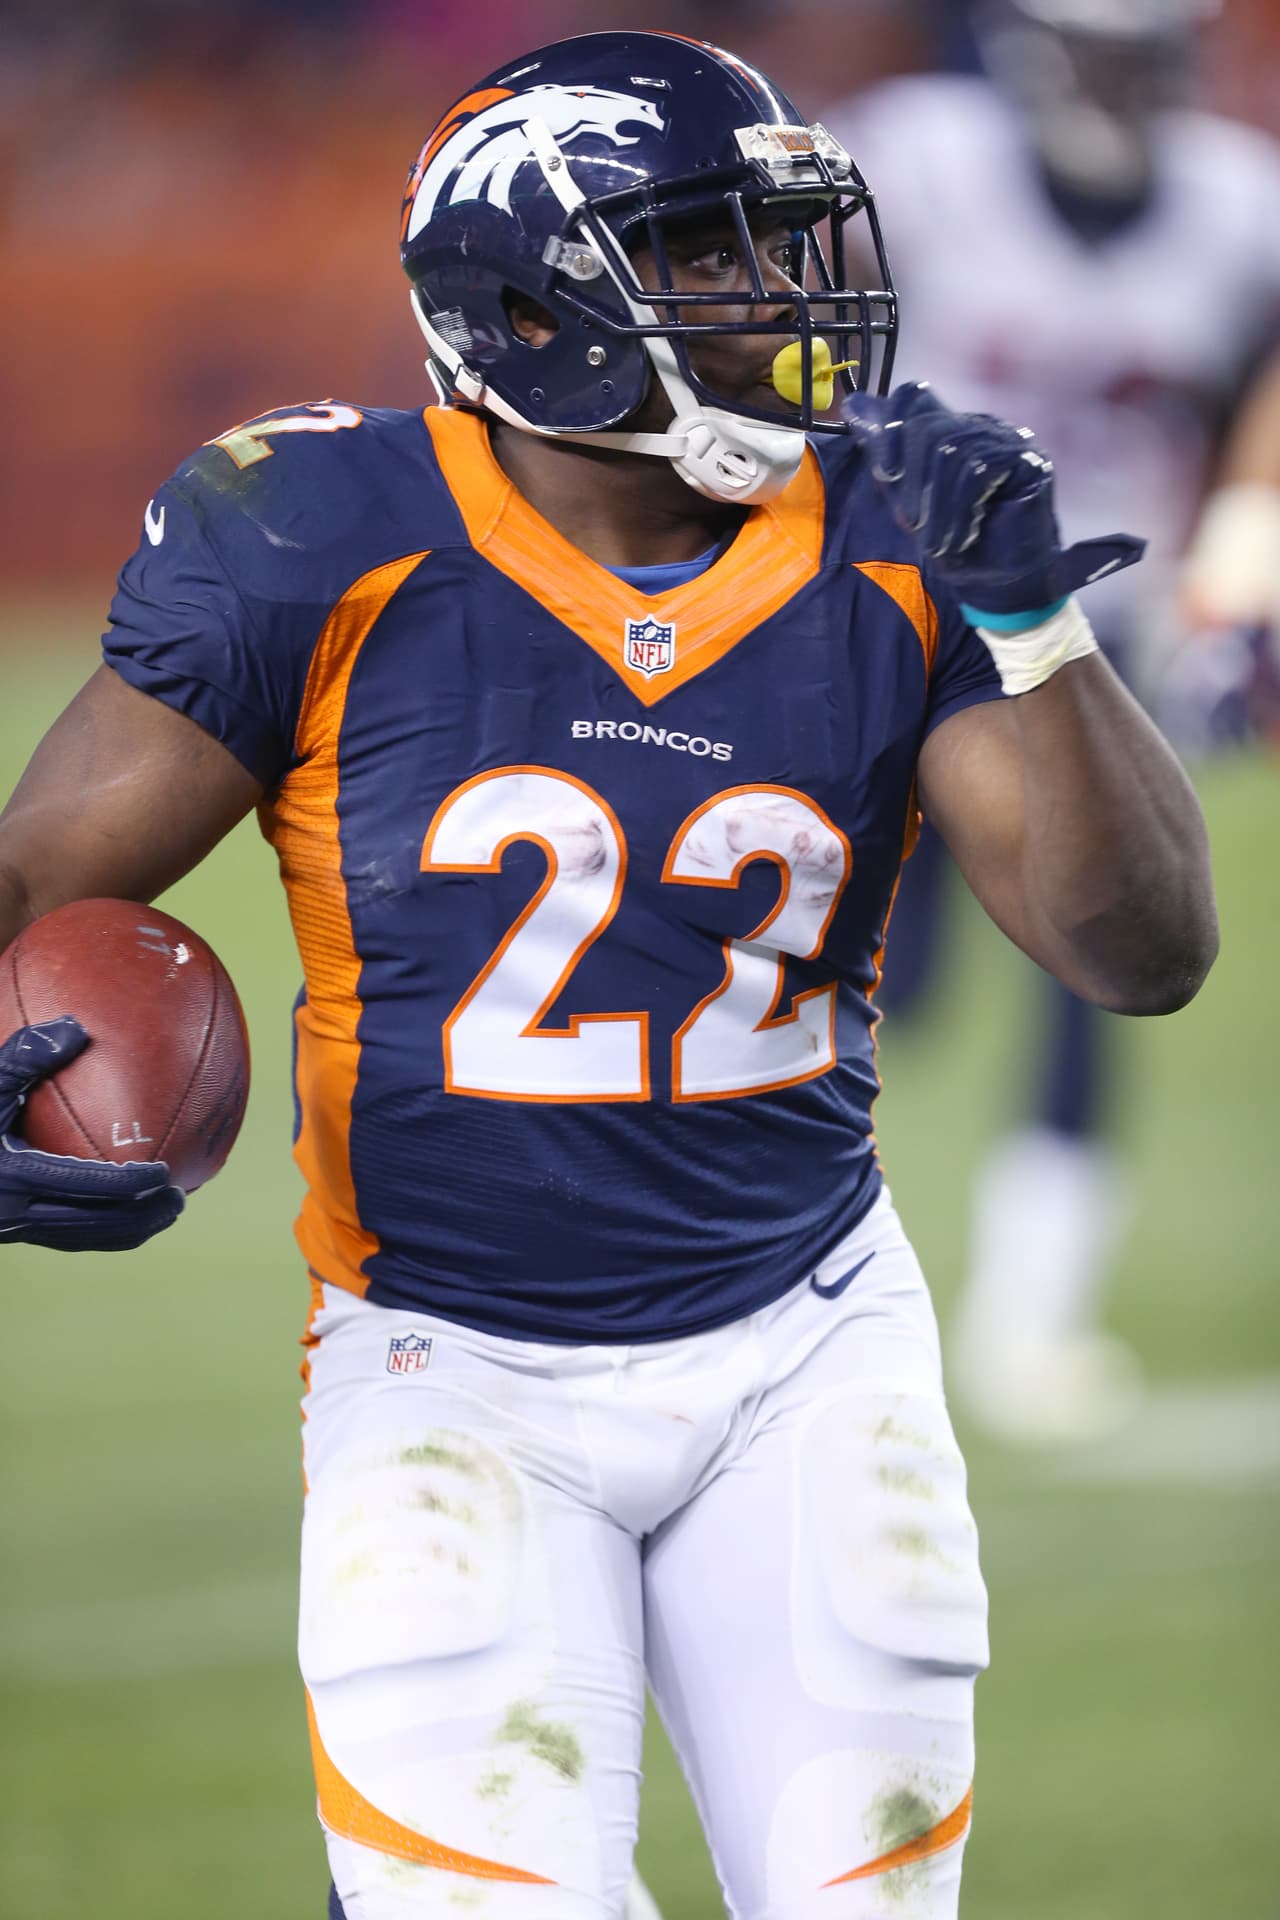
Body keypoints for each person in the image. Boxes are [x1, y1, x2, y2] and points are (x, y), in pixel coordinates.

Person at [0, 30, 1217, 1920]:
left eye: (783, 245)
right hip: (445, 1359)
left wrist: (1036, 623)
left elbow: (1139, 958)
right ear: (536, 307)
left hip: (805, 1339)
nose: (788, 302)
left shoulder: (898, 531)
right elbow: (28, 883)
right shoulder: (323, 539)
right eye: (715, 253)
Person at [823, 0, 1280, 1442]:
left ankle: (1033, 1318)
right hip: (897, 619)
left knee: (1101, 957)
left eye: (1155, 50)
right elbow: (796, 306)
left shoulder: (1234, 203)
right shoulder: (923, 160)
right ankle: (790, 1271)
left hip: (1094, 638)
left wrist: (1244, 559)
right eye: (1110, 48)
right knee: (885, 971)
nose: (1137, 79)